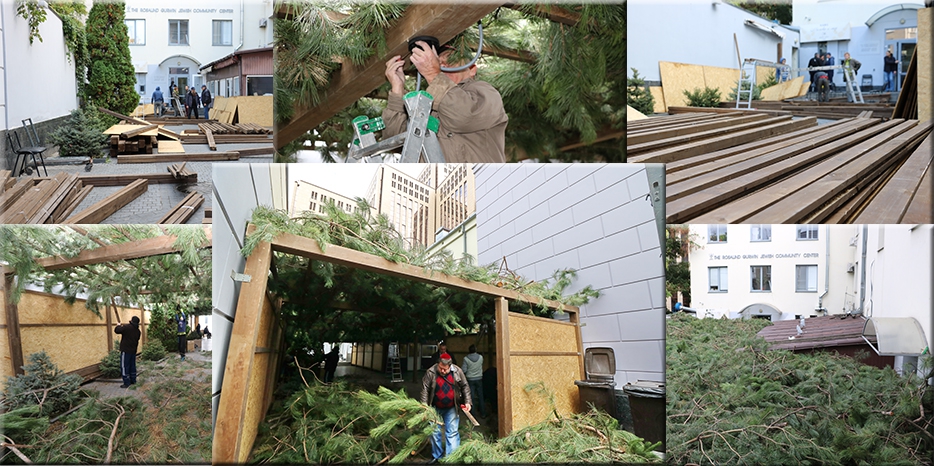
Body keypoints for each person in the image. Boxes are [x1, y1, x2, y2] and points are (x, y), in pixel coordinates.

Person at [383, 41, 507, 163]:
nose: (442, 65)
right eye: (438, 62)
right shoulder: (426, 104)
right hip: (432, 181)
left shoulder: (483, 92)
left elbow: (464, 116)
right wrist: (397, 90)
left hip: (476, 182)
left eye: (451, 59)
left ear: (472, 69)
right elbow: (395, 143)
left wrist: (432, 73)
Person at [420, 353, 471, 462]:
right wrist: (425, 406)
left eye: (445, 369)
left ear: (450, 366)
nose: (442, 371)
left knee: (452, 432)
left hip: (451, 407)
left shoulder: (457, 371)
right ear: (438, 364)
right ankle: (436, 456)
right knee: (434, 432)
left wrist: (468, 402)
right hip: (434, 407)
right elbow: (425, 390)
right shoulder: (430, 372)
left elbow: (465, 386)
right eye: (440, 368)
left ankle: (451, 459)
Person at [114, 316, 141, 388]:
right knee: (132, 366)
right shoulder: (138, 331)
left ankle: (126, 382)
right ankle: (133, 380)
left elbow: (117, 330)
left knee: (124, 366)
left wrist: (118, 325)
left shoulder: (127, 327)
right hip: (133, 351)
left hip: (126, 350)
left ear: (131, 321)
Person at [461, 344, 485, 419]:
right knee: (480, 396)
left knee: (471, 397)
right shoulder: (481, 357)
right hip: (479, 378)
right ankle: (483, 413)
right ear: (476, 350)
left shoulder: (466, 359)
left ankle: (473, 414)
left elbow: (464, 370)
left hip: (470, 379)